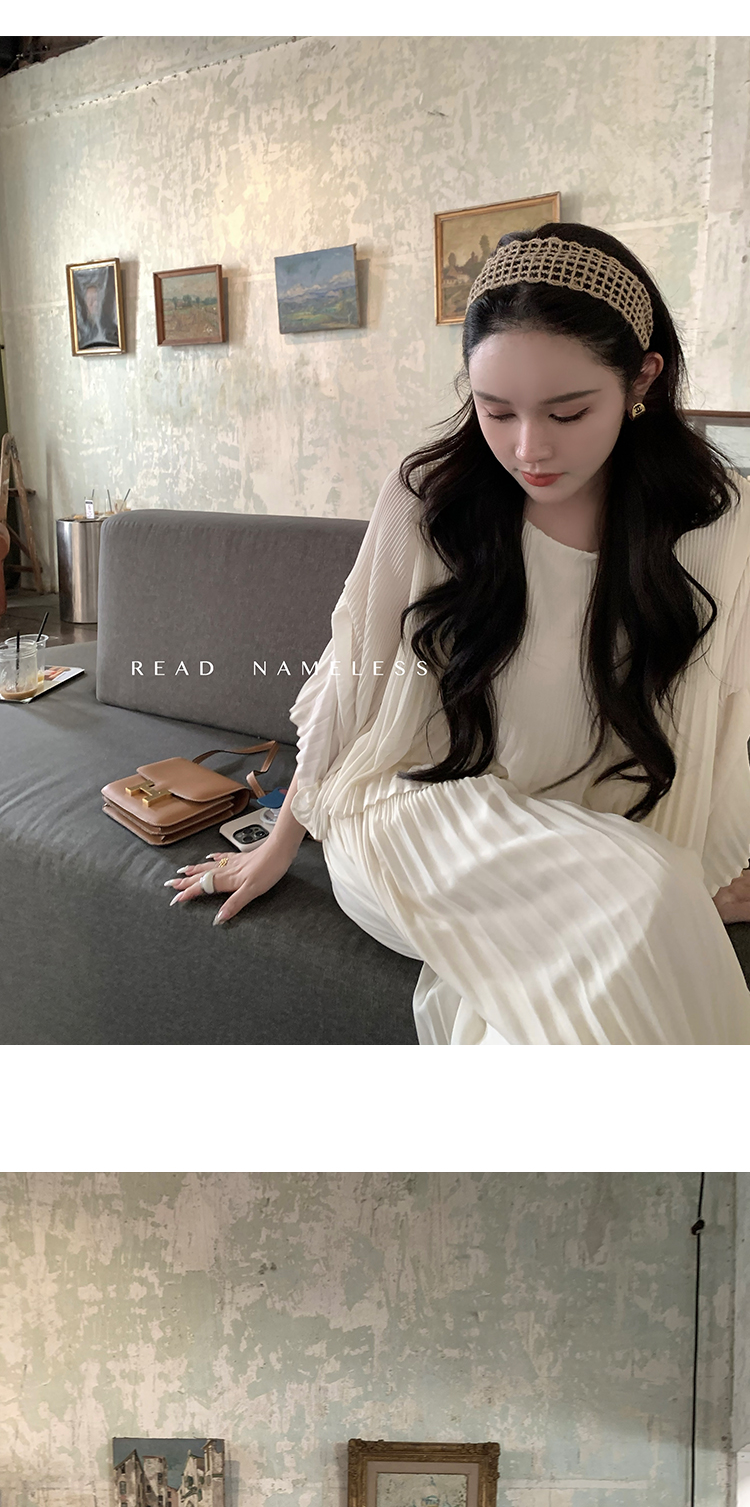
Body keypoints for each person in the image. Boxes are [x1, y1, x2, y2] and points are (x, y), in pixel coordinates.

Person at [173, 221, 750, 1039]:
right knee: (643, 896)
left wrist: (709, 867)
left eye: (569, 411)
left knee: (643, 892)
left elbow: (727, 711)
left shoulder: (716, 520)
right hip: (410, 816)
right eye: (496, 410)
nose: (528, 448)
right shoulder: (429, 501)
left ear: (643, 379)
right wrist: (276, 848)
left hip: (599, 832)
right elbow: (351, 688)